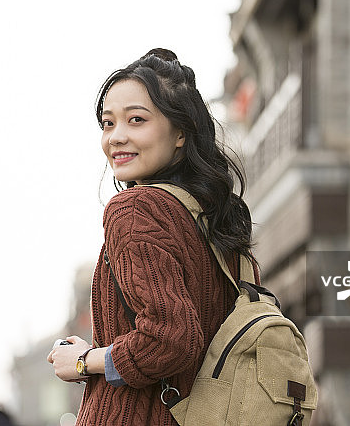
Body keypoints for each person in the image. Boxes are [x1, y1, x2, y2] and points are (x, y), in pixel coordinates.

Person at [47, 48, 258, 425]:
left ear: (180, 131)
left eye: (136, 120)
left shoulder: (134, 210)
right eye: (108, 124)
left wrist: (85, 360)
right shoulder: (215, 220)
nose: (117, 137)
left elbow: (169, 338)